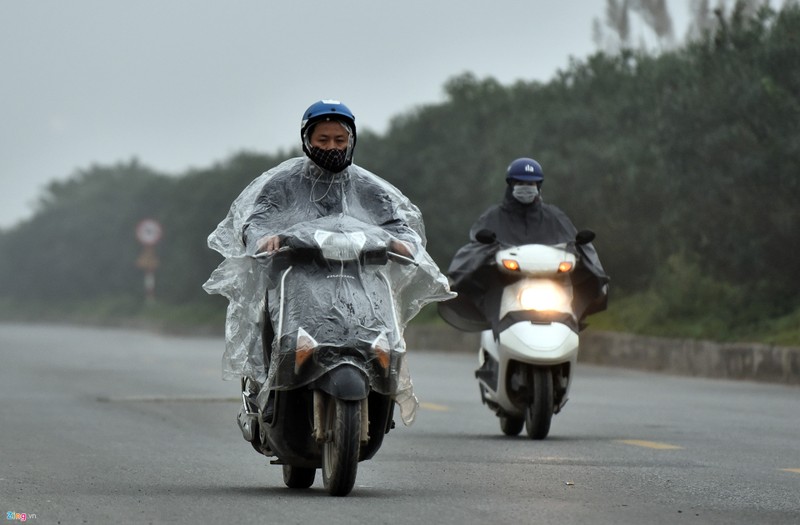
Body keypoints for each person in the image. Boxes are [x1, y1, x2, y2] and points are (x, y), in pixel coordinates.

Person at [203, 99, 453, 427]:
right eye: (323, 140)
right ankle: (267, 390)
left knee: (381, 341)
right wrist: (265, 239)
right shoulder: (282, 183)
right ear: (307, 140)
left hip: (359, 281)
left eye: (340, 140)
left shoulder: (368, 187)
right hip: (296, 279)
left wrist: (403, 243)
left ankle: (381, 395)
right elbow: (257, 222)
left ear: (352, 141)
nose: (332, 147)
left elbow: (399, 227)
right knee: (273, 320)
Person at [438, 156, 608, 334]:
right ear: (510, 184)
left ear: (539, 186)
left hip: (551, 285)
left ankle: (568, 328)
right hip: (505, 284)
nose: (526, 187)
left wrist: (578, 252)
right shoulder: (493, 217)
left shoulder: (554, 217)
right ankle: (497, 337)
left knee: (574, 294)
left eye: (532, 183)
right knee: (486, 291)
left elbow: (573, 243)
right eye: (520, 182)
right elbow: (477, 247)